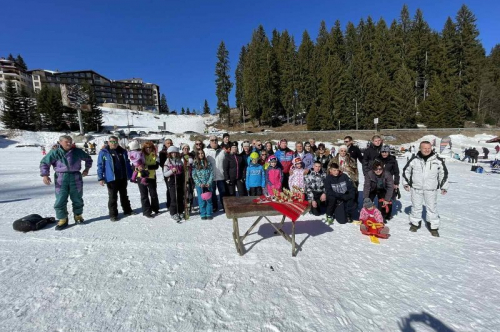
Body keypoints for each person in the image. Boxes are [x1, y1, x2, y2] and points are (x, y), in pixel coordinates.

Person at [40, 135, 93, 230]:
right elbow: (44, 163)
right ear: (60, 142)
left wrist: (87, 169)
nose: (69, 143)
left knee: (77, 198)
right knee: (60, 199)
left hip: (75, 177)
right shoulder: (55, 152)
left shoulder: (77, 151)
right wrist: (45, 175)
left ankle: (78, 216)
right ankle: (62, 219)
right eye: (66, 141)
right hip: (61, 177)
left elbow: (88, 159)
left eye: (70, 141)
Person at [403, 141, 449, 237]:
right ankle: (415, 223)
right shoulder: (414, 160)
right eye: (424, 148)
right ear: (420, 148)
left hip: (431, 189)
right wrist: (406, 183)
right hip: (416, 188)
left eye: (429, 148)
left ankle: (433, 226)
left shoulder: (437, 160)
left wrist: (443, 186)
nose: (427, 150)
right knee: (416, 207)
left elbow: (443, 173)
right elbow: (406, 171)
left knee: (432, 208)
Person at [97, 136, 134, 221]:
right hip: (111, 178)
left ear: (118, 142)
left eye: (115, 142)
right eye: (112, 142)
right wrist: (100, 178)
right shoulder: (104, 152)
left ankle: (127, 210)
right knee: (113, 197)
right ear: (108, 142)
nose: (114, 143)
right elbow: (100, 165)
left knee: (124, 195)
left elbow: (127, 163)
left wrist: (130, 174)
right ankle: (113, 215)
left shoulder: (123, 151)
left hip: (122, 177)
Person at [137, 141, 160, 218]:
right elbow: (134, 166)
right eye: (147, 147)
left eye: (150, 147)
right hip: (141, 176)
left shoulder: (155, 155)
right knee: (144, 195)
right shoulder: (140, 155)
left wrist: (146, 167)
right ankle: (147, 211)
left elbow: (156, 166)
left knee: (153, 193)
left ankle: (155, 208)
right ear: (144, 148)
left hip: (151, 176)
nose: (148, 149)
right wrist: (138, 167)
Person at [163, 146, 185, 222]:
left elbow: (183, 170)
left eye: (175, 153)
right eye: (172, 153)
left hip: (179, 180)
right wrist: (172, 171)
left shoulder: (179, 161)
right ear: (169, 154)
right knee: (174, 197)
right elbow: (165, 174)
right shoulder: (167, 161)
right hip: (172, 180)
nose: (174, 154)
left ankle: (180, 211)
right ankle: (173, 212)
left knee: (180, 196)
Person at [205, 135, 226, 212]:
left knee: (223, 192)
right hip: (211, 176)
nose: (214, 142)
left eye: (216, 140)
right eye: (212, 140)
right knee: (212, 192)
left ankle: (224, 206)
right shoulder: (206, 151)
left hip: (221, 176)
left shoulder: (222, 151)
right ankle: (214, 206)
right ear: (209, 141)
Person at [192, 149, 214, 220]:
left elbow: (211, 173)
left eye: (202, 153)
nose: (201, 155)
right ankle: (203, 213)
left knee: (208, 200)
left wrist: (209, 183)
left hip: (208, 185)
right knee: (201, 200)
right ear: (197, 155)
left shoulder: (208, 163)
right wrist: (199, 183)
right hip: (200, 186)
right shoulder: (195, 164)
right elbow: (194, 175)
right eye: (199, 154)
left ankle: (209, 213)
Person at [159, 138, 174, 209]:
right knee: (169, 187)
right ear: (165, 144)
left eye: (170, 143)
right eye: (168, 143)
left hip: (175, 172)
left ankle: (174, 202)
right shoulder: (162, 152)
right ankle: (169, 203)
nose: (169, 144)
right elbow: (161, 164)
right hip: (167, 172)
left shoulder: (175, 151)